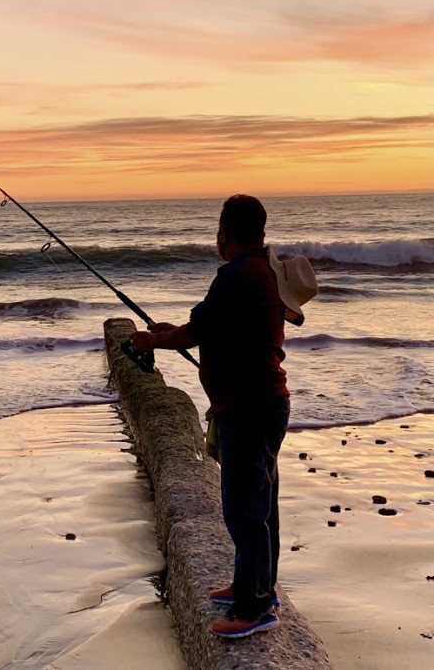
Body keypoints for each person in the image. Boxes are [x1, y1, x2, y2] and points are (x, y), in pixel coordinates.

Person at [131, 194, 317, 640]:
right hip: (264, 403)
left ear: (224, 232)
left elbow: (195, 333)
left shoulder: (237, 275)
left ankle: (254, 609)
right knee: (260, 504)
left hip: (250, 409)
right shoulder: (262, 271)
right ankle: (255, 585)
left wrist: (150, 342)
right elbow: (214, 330)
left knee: (243, 508)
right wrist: (168, 334)